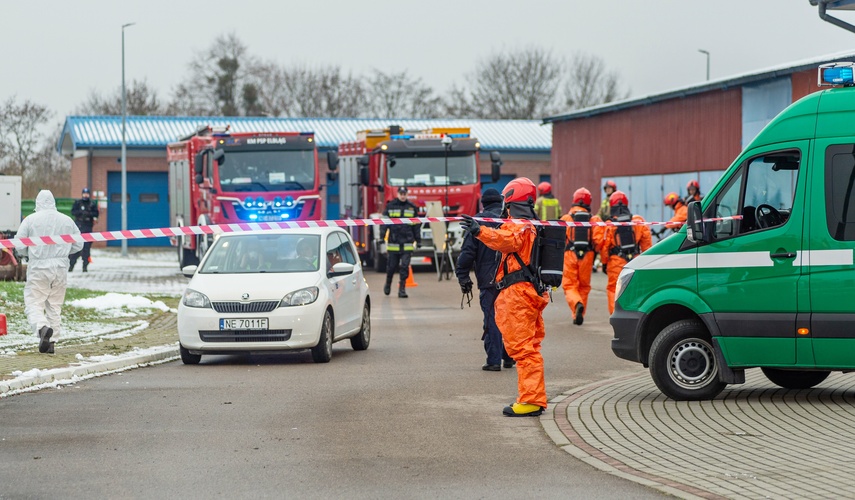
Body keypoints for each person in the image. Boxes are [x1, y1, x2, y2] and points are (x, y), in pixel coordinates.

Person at [460, 177, 550, 417]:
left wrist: (479, 231)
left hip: (518, 294)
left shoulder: (518, 225)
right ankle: (534, 397)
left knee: (522, 349)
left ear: (510, 200)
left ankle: (530, 400)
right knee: (530, 347)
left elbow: (506, 242)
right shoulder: (533, 223)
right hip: (530, 291)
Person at [455, 188, 514, 372]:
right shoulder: (510, 220)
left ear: (484, 203)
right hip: (512, 279)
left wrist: (463, 277)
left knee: (492, 319)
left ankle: (494, 360)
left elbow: (467, 253)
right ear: (500, 202)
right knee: (510, 318)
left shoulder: (477, 222)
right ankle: (509, 356)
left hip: (489, 281)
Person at [16, 190, 83, 354]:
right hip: (60, 267)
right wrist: (65, 251)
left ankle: (42, 328)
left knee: (33, 302)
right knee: (54, 305)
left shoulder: (31, 220)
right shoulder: (66, 220)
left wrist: (28, 253)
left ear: (37, 203)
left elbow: (19, 244)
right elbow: (79, 244)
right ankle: (51, 342)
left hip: (39, 266)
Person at [598, 190, 652, 315]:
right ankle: (634, 316)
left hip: (616, 261)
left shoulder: (609, 225)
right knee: (634, 289)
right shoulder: (638, 221)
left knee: (613, 289)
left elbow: (604, 246)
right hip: (635, 260)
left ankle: (615, 315)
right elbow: (647, 245)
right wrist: (645, 261)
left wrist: (604, 263)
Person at [560, 188, 602, 326]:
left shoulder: (566, 218)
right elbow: (599, 241)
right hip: (587, 256)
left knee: (569, 285)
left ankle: (576, 304)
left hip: (570, 254)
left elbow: (559, 239)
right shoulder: (594, 220)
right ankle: (579, 312)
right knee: (584, 286)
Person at [382, 186, 421, 298]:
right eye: (401, 193)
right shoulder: (390, 206)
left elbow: (416, 226)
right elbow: (384, 224)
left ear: (407, 194)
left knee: (404, 266)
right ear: (398, 194)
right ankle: (388, 283)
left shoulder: (412, 208)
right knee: (391, 266)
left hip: (407, 242)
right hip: (394, 242)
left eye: (404, 194)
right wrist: (381, 237)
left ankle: (402, 289)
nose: (403, 196)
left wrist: (418, 240)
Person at [69, 187, 99, 272]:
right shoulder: (78, 203)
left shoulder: (92, 204)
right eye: (84, 193)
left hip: (87, 227)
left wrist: (89, 214)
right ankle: (71, 266)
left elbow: (96, 214)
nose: (85, 195)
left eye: (87, 193)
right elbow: (73, 212)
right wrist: (81, 213)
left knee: (86, 249)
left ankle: (85, 267)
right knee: (75, 249)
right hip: (79, 227)